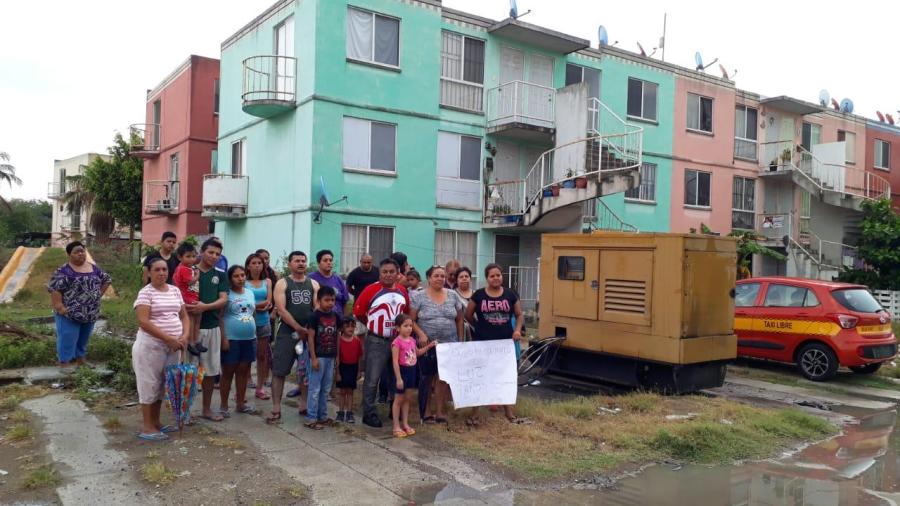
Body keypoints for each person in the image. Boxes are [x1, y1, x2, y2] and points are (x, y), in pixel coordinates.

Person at [353, 258, 414, 428]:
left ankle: (394, 408)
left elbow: (406, 313)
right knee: (373, 378)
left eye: (391, 272)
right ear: (379, 273)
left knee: (396, 377)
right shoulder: (370, 290)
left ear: (398, 273)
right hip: (377, 341)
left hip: (397, 341)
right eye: (384, 272)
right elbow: (358, 312)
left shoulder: (402, 291)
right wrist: (373, 325)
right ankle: (369, 412)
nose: (388, 275)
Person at [132, 257, 188, 441]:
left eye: (164, 269)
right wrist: (168, 338)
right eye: (157, 270)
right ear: (149, 272)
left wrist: (184, 336)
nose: (162, 273)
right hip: (151, 346)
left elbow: (184, 316)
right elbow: (143, 321)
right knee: (149, 384)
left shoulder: (174, 290)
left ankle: (156, 423)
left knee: (163, 384)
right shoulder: (145, 293)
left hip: (173, 348)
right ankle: (147, 427)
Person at [464, 263, 524, 426]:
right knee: (481, 377)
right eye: (492, 276)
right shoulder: (479, 295)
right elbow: (468, 315)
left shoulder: (510, 295)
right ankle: (475, 413)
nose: (496, 278)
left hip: (505, 344)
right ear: (487, 278)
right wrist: (479, 327)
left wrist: (517, 330)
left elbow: (519, 315)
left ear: (502, 276)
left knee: (504, 377)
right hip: (483, 343)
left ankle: (509, 413)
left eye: (498, 275)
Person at [268, 251, 320, 424]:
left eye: (303, 261)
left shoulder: (313, 284)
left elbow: (317, 307)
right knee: (279, 370)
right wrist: (297, 327)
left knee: (305, 371)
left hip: (308, 333)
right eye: (297, 261)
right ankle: (276, 407)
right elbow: (281, 309)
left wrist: (307, 329)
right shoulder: (283, 283)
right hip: (287, 332)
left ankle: (304, 405)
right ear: (290, 264)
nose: (301, 263)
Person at [410, 265, 464, 424]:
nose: (440, 278)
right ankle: (426, 411)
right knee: (427, 377)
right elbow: (411, 320)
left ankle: (440, 411)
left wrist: (460, 340)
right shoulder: (418, 297)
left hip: (449, 343)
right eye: (436, 276)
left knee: (443, 378)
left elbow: (459, 319)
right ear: (429, 278)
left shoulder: (453, 295)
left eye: (442, 276)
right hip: (427, 344)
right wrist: (420, 334)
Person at [47, 241, 112, 366]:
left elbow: (107, 279)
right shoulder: (64, 271)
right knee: (67, 338)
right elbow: (55, 288)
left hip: (90, 312)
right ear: (69, 255)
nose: (80, 254)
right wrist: (59, 306)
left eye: (82, 251)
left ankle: (80, 360)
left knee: (83, 338)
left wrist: (98, 295)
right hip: (68, 313)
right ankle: (64, 363)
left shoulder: (94, 268)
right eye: (76, 252)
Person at [186, 238, 229, 421]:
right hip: (189, 329)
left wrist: (205, 307)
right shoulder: (189, 272)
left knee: (210, 371)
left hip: (212, 328)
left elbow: (223, 299)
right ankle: (184, 411)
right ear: (202, 252)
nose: (214, 256)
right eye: (210, 252)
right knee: (189, 371)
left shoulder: (220, 275)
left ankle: (206, 409)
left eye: (217, 254)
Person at [218, 265, 258, 417]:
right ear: (230, 278)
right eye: (236, 276)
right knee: (228, 372)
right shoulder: (226, 294)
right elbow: (220, 316)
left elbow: (252, 312)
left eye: (242, 275)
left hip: (249, 339)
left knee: (243, 371)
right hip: (231, 338)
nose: (240, 279)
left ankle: (241, 403)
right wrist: (224, 338)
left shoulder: (249, 292)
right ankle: (223, 405)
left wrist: (254, 332)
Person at [391, 314, 436, 438]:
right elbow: (395, 361)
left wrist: (429, 346)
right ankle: (396, 426)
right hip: (402, 372)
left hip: (412, 372)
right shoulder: (396, 342)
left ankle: (405, 423)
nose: (409, 328)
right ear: (398, 328)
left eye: (411, 325)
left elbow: (417, 353)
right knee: (398, 400)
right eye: (405, 326)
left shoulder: (412, 340)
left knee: (407, 399)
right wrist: (399, 378)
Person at [305, 286, 341, 429]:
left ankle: (323, 416)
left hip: (330, 356)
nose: (330, 303)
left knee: (326, 388)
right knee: (314, 388)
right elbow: (310, 337)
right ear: (319, 301)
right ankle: (311, 418)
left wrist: (337, 355)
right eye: (327, 300)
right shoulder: (314, 317)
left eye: (332, 300)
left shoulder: (336, 316)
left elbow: (337, 336)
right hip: (319, 356)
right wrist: (313, 358)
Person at [246, 253, 273, 401]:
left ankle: (260, 387)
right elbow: (242, 302)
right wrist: (256, 305)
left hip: (264, 321)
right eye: (254, 263)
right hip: (246, 322)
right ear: (248, 265)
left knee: (262, 356)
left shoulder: (267, 281)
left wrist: (266, 305)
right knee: (246, 356)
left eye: (259, 263)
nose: (257, 266)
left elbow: (268, 300)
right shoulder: (244, 282)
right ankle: (243, 386)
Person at [172, 243, 206, 357]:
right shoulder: (183, 269)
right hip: (187, 298)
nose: (192, 259)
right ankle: (191, 342)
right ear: (180, 257)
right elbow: (190, 282)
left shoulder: (188, 268)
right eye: (188, 256)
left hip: (192, 297)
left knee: (197, 318)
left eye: (193, 256)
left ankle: (195, 341)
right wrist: (197, 276)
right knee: (191, 320)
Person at [335, 318, 362, 423]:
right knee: (342, 391)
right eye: (347, 326)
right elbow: (337, 358)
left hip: (353, 368)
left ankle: (349, 413)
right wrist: (337, 373)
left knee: (350, 391)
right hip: (343, 367)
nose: (350, 328)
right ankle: (341, 412)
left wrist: (359, 371)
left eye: (352, 326)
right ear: (342, 328)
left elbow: (359, 356)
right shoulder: (339, 341)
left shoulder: (357, 341)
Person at [309, 249, 350, 316]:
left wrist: (345, 321)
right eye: (325, 260)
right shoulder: (311, 278)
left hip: (338, 321)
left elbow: (345, 302)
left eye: (330, 260)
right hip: (319, 321)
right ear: (318, 263)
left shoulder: (338, 279)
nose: (329, 262)